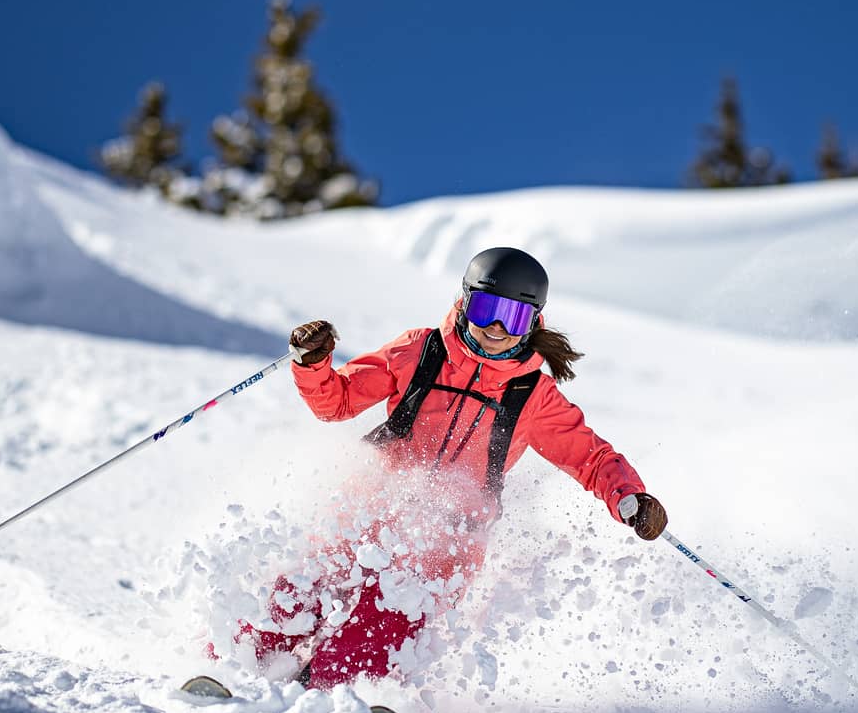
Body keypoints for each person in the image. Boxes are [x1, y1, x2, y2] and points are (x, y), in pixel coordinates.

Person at [238, 247, 668, 688]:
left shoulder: (532, 395)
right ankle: (237, 666)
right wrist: (313, 367)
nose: (497, 329)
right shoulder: (418, 351)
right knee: (300, 595)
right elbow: (339, 401)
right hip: (371, 505)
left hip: (450, 538)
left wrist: (629, 497)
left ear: (533, 322)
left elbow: (590, 457)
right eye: (487, 310)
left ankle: (337, 693)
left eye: (513, 318)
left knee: (381, 623)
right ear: (464, 303)